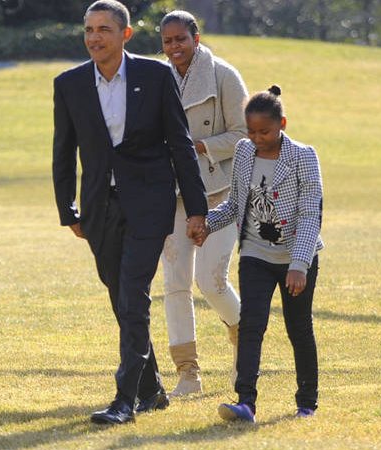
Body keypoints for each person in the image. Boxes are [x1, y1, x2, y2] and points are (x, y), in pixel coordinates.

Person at [52, 0, 208, 425]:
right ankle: (152, 388)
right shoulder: (68, 84)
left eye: (103, 29)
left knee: (133, 294)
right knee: (119, 297)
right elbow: (63, 152)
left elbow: (179, 144)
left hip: (148, 204)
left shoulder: (155, 76)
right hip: (98, 208)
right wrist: (68, 209)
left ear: (125, 34)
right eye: (88, 30)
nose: (93, 38)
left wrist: (196, 209)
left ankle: (125, 399)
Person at [195, 86, 324, 422]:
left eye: (264, 131)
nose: (256, 138)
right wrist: (208, 223)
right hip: (255, 252)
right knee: (251, 325)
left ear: (282, 123)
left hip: (296, 255)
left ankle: (306, 403)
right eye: (251, 131)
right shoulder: (243, 152)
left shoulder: (304, 157)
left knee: (299, 328)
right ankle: (246, 403)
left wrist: (299, 264)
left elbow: (311, 214)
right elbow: (237, 204)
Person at [158, 10, 248, 396]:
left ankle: (245, 340)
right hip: (171, 193)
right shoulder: (157, 78)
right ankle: (187, 373)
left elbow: (245, 134)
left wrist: (199, 146)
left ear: (196, 37)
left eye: (181, 39)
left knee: (211, 280)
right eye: (167, 41)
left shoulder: (223, 74)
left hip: (221, 192)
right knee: (175, 284)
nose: (175, 47)